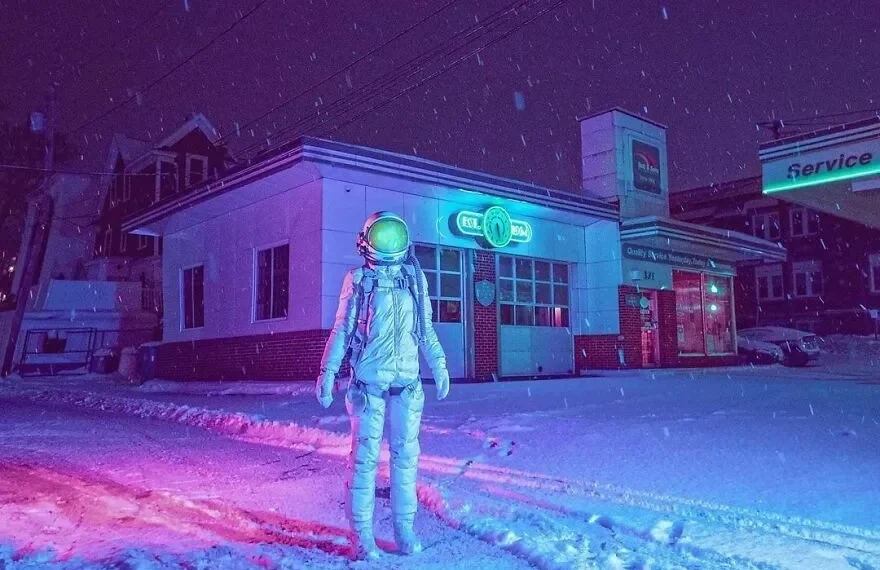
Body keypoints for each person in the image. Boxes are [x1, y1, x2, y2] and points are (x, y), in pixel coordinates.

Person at [316, 211, 450, 560]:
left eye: (395, 237)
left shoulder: (414, 280)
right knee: (364, 460)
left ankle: (404, 529)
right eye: (382, 236)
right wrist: (327, 371)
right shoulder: (358, 280)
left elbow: (425, 329)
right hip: (369, 382)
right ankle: (361, 535)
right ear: (366, 241)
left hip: (407, 381)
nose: (389, 244)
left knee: (407, 460)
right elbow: (343, 328)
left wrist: (438, 364)